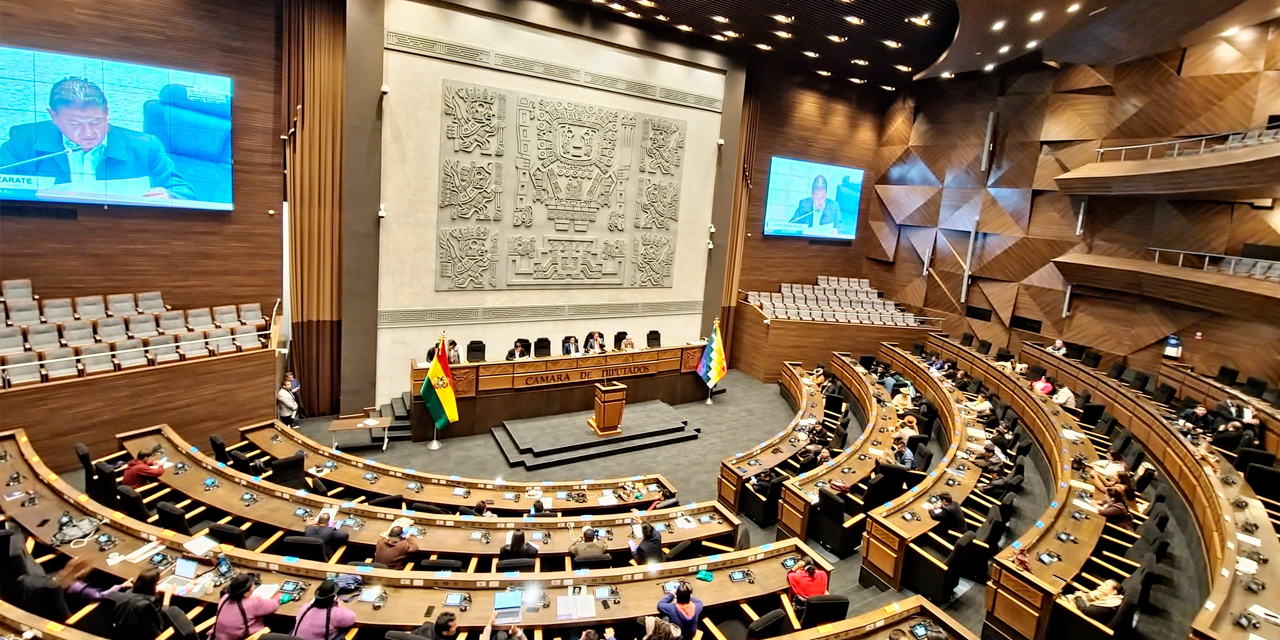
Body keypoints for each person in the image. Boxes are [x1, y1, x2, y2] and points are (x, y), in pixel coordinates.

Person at [0, 77, 195, 200]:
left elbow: (183, 191)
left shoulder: (144, 146)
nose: (88, 132)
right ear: (54, 117)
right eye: (75, 124)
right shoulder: (23, 142)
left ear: (107, 113)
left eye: (95, 122)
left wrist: (169, 195)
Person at [211, 573, 278, 640]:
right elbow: (274, 605)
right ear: (246, 591)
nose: (254, 586)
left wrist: (249, 598)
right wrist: (255, 600)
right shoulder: (253, 604)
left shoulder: (225, 598)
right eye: (252, 585)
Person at [291, 579, 355, 640]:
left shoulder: (305, 607)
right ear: (333, 597)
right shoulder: (334, 613)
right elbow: (352, 618)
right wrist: (340, 606)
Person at [54, 556, 126, 606]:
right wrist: (120, 586)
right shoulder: (78, 587)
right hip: (83, 608)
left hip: (70, 602)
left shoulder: (60, 576)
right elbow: (99, 596)